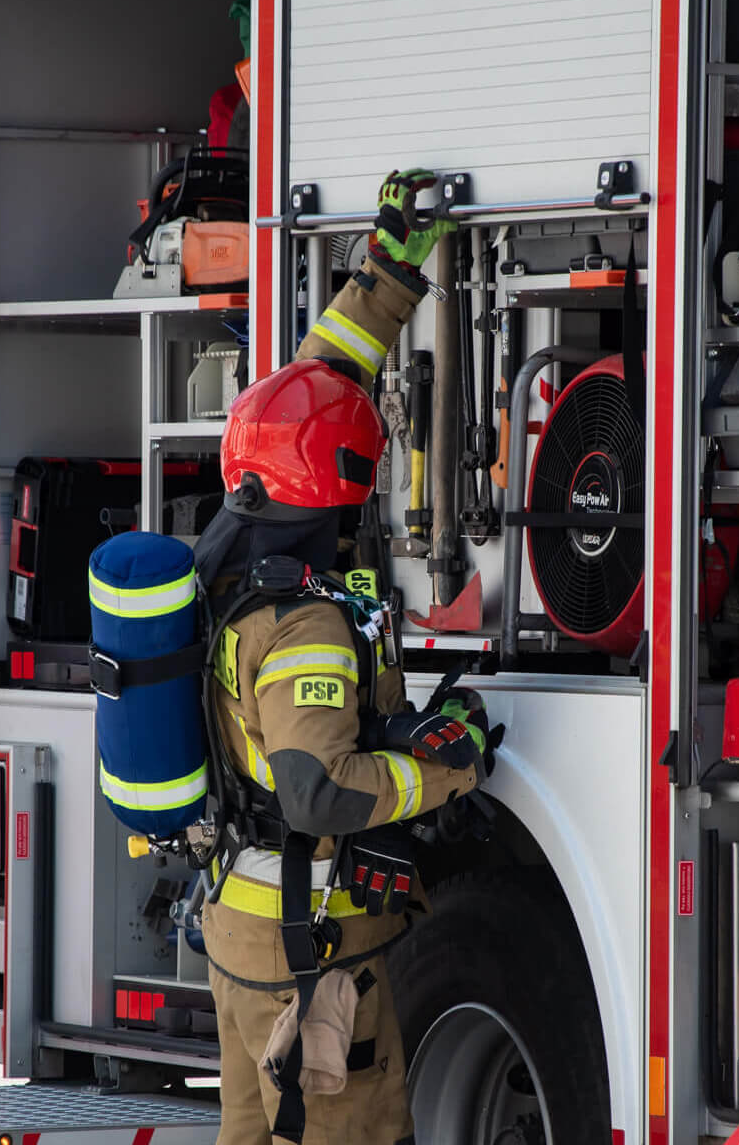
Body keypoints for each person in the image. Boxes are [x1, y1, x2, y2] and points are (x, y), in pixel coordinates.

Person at [194, 170, 497, 1144]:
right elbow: (316, 796)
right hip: (311, 953)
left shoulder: (229, 561)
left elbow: (319, 388)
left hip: (248, 937)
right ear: (338, 497)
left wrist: (386, 268)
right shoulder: (306, 625)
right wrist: (447, 764)